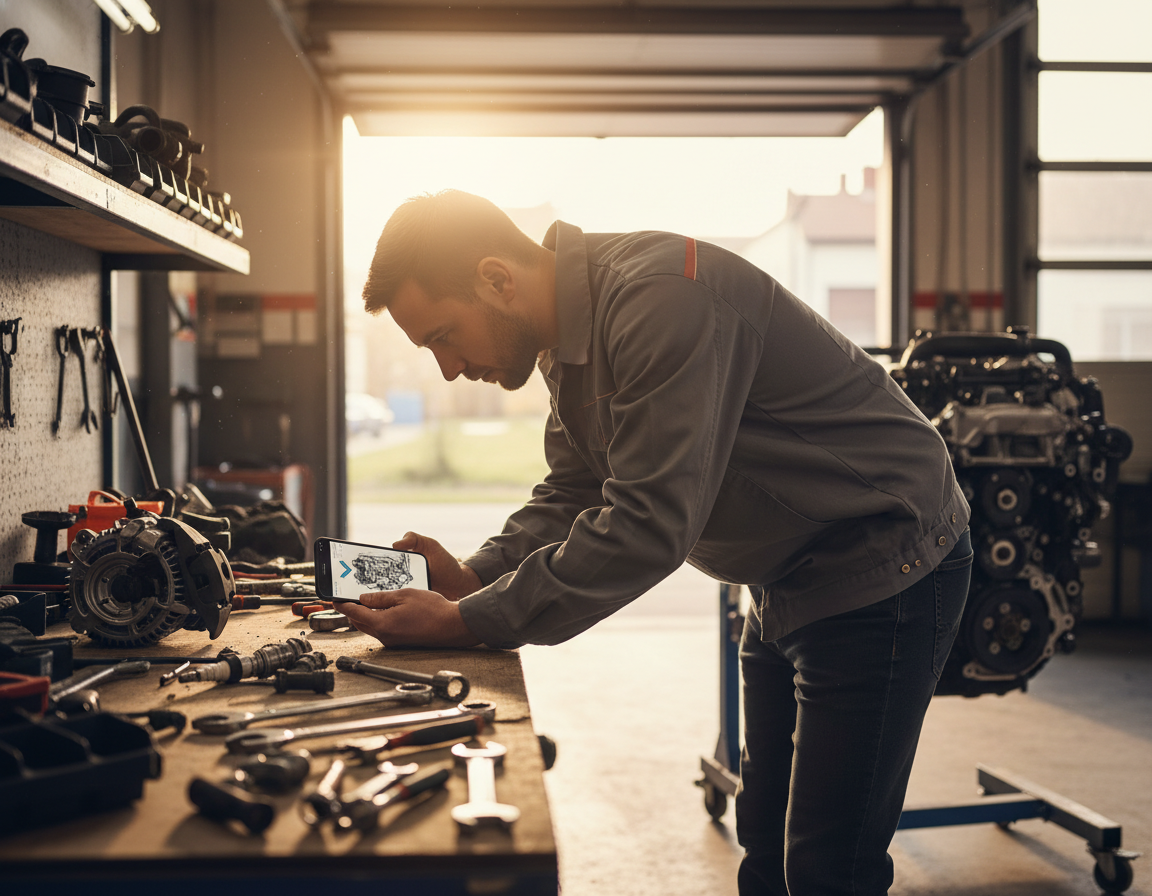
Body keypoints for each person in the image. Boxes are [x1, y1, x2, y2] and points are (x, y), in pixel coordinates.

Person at [341, 189, 973, 896]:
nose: (449, 368)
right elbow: (574, 493)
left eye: (441, 336)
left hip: (882, 557)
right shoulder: (564, 340)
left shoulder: (660, 299)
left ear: (496, 280)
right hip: (790, 572)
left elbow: (647, 524)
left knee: (830, 867)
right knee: (765, 840)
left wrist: (467, 620)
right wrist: (473, 575)